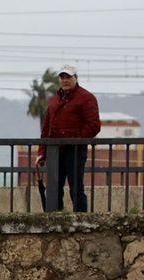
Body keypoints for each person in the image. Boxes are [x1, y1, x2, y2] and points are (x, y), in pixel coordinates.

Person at [37, 64, 100, 212]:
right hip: (54, 151)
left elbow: (94, 125)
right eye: (62, 77)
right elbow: (46, 128)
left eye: (68, 77)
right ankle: (53, 218)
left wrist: (75, 140)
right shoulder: (54, 100)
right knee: (53, 189)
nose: (65, 80)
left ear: (76, 78)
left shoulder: (86, 98)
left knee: (76, 189)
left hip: (75, 150)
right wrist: (42, 152)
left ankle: (81, 219)